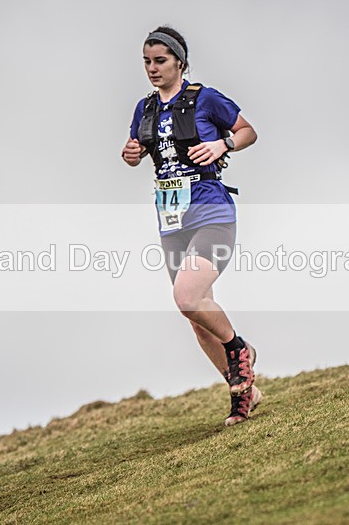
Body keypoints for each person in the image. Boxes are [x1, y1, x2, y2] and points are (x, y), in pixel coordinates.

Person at [121, 26, 261, 426]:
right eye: (147, 61)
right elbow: (138, 150)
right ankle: (245, 391)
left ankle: (240, 352)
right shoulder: (144, 108)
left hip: (212, 213)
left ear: (179, 62)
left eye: (160, 61)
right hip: (171, 221)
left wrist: (223, 144)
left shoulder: (206, 98)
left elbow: (248, 131)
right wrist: (131, 153)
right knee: (197, 320)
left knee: (187, 296)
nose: (152, 68)